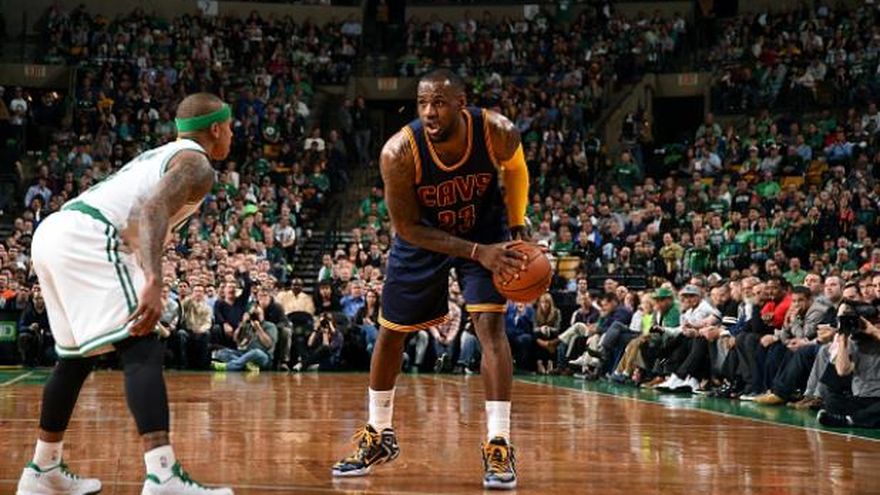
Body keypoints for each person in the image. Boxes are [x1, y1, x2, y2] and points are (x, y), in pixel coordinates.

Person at [17, 93, 234, 495]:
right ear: (217, 129)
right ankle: (163, 476)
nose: (232, 135)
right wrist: (153, 279)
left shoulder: (165, 155)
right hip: (89, 235)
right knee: (142, 344)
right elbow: (152, 209)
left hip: (54, 233)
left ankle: (42, 470)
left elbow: (143, 213)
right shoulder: (196, 163)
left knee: (75, 360)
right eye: (231, 128)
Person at [332, 69, 530, 490]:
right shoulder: (398, 152)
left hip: (483, 226)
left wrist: (515, 223)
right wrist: (477, 252)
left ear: (461, 103)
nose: (429, 112)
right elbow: (406, 227)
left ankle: (499, 442)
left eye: (438, 103)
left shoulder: (496, 130)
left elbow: (515, 168)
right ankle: (378, 434)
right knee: (390, 333)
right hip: (424, 236)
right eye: (422, 103)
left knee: (491, 328)